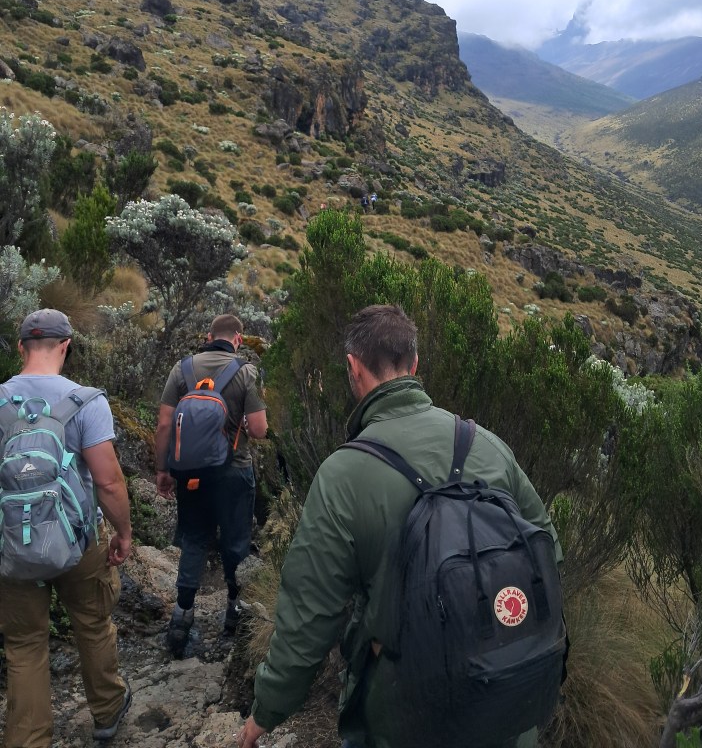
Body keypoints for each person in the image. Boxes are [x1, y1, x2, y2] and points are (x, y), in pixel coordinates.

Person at [236, 304, 562, 748]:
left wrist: (267, 712)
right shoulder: (487, 444)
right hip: (507, 707)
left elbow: (308, 618)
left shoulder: (342, 475)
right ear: (415, 364)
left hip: (408, 716)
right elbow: (548, 551)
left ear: (353, 368)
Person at [0, 308, 133, 746]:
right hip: (80, 540)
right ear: (66, 346)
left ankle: (28, 740)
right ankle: (108, 711)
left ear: (20, 347)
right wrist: (123, 533)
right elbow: (109, 482)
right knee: (92, 622)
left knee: (24, 644)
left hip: (11, 544)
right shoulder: (87, 402)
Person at [155, 313, 268, 656]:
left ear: (208, 336)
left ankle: (181, 618)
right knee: (236, 543)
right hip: (234, 473)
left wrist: (163, 470)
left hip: (191, 475)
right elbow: (259, 430)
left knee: (194, 540)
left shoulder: (182, 369)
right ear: (238, 339)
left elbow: (164, 424)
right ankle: (234, 614)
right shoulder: (246, 372)